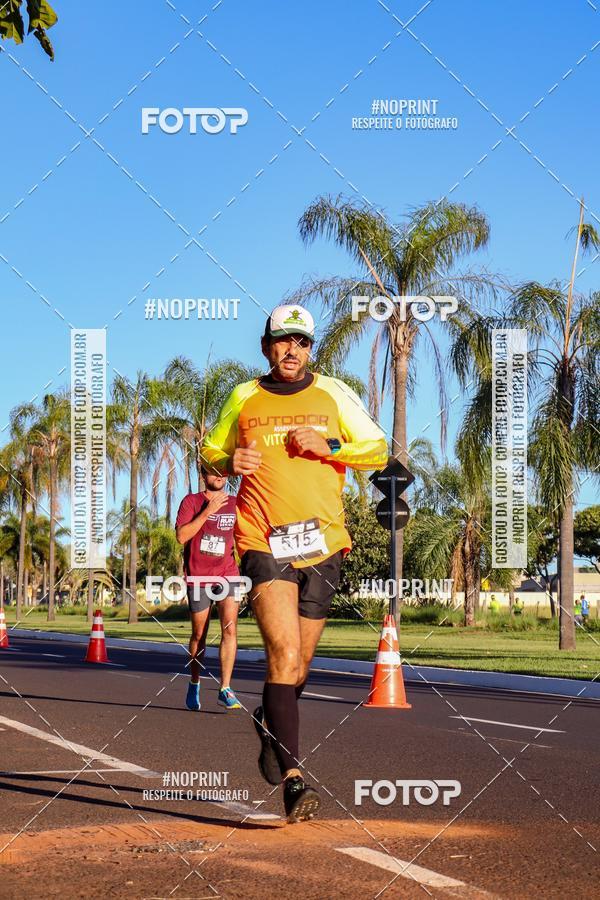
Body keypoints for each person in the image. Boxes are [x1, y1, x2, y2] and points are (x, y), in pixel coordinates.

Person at [202, 303, 388, 823]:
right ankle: (294, 781)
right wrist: (224, 461)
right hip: (263, 541)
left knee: (299, 667)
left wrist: (328, 444)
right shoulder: (244, 396)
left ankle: (269, 720)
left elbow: (377, 448)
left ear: (311, 348)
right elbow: (210, 450)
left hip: (324, 544)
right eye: (282, 340)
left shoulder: (333, 393)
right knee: (282, 655)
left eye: (301, 342)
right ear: (266, 346)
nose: (291, 350)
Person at [175, 465, 242, 711]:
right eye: (213, 472)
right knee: (198, 636)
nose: (219, 476)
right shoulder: (191, 502)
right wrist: (208, 511)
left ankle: (225, 688)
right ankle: (194, 682)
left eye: (224, 472)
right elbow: (182, 536)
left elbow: (245, 535)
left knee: (230, 629)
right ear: (202, 475)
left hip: (228, 575)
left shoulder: (236, 503)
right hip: (198, 577)